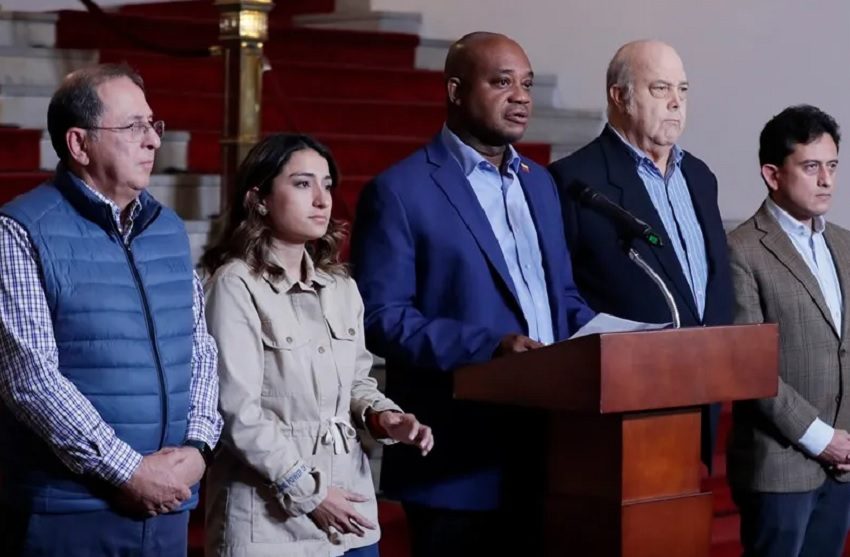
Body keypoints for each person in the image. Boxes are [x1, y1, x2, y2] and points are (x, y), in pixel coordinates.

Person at [350, 32, 594, 556]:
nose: (522, 96)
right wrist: (490, 347)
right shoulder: (400, 190)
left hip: (551, 448)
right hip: (458, 460)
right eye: (502, 82)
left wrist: (609, 336)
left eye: (527, 83)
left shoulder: (540, 183)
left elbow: (560, 300)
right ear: (456, 90)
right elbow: (383, 317)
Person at [0, 64, 221, 556]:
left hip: (168, 506)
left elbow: (200, 348)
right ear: (79, 144)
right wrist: (130, 471)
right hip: (71, 511)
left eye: (153, 125)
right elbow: (31, 381)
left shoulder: (167, 228)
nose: (153, 141)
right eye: (133, 127)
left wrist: (198, 448)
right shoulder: (20, 231)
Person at [201, 133, 433, 557]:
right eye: (303, 184)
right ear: (260, 198)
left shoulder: (341, 286)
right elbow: (236, 412)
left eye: (327, 185)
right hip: (270, 524)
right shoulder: (234, 285)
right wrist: (310, 494)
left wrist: (385, 418)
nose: (322, 200)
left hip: (351, 512)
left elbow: (357, 383)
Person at [548, 39, 733, 466]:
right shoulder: (574, 181)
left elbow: (711, 285)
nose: (675, 103)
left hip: (703, 390)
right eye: (660, 89)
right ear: (620, 96)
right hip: (624, 399)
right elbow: (563, 295)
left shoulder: (701, 177)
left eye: (682, 90)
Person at [727, 105, 850, 557]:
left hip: (842, 466)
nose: (827, 181)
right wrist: (823, 439)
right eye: (812, 167)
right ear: (773, 175)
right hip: (780, 467)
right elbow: (747, 366)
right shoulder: (741, 249)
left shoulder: (844, 243)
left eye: (833, 166)